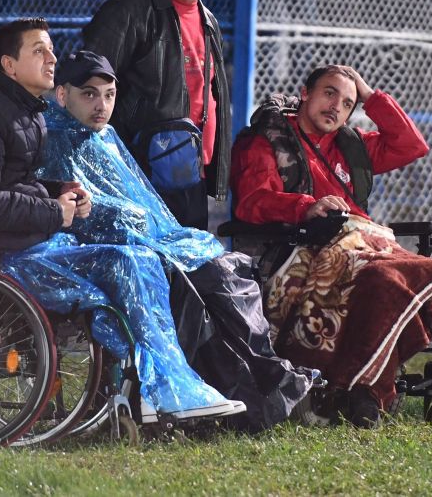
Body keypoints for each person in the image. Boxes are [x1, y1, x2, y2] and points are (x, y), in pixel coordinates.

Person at [0, 18, 242, 422]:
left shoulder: (24, 111)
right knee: (125, 261)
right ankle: (164, 390)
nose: (51, 58)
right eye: (39, 51)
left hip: (30, 247)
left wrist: (61, 190)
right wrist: (53, 211)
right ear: (9, 65)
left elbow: (15, 184)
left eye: (50, 49)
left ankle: (159, 388)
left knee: (142, 257)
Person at [38, 49, 314, 431]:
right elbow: (80, 212)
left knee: (227, 270)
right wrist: (139, 225)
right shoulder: (54, 138)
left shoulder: (107, 136)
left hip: (146, 240)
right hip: (107, 250)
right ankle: (259, 389)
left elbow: (144, 200)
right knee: (207, 279)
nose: (101, 105)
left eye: (109, 95)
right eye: (89, 94)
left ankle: (264, 384)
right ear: (62, 95)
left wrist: (157, 231)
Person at [231, 64, 432, 430]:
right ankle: (366, 393)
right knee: (396, 277)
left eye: (348, 103)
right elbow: (251, 202)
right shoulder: (265, 142)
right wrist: (306, 206)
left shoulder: (350, 147)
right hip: (300, 248)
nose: (336, 106)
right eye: (329, 93)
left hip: (364, 244)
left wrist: (370, 96)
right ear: (304, 94)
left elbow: (411, 145)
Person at [81, 0, 231, 232]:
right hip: (139, 179)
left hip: (190, 179)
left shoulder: (209, 21)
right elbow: (86, 86)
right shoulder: (127, 11)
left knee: (190, 262)